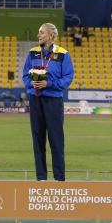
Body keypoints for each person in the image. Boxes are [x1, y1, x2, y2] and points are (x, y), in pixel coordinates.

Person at [22, 23, 74, 181]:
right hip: (35, 99)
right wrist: (32, 83)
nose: (38, 35)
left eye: (41, 32)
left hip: (53, 100)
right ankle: (41, 178)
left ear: (51, 35)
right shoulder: (32, 53)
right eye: (38, 32)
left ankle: (59, 179)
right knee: (38, 140)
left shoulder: (63, 54)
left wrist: (49, 84)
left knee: (56, 140)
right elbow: (25, 76)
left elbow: (68, 77)